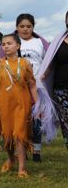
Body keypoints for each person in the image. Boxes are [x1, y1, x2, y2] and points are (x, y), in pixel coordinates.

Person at [0, 33, 37, 178]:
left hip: (22, 104)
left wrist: (37, 105)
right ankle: (11, 158)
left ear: (18, 46)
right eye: (3, 44)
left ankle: (22, 168)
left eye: (9, 43)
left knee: (19, 134)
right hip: (4, 104)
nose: (6, 46)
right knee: (7, 135)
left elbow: (32, 85)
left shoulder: (25, 63)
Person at [15, 13, 49, 162]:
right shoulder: (12, 42)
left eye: (29, 26)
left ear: (33, 27)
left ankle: (36, 151)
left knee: (36, 121)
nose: (25, 29)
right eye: (22, 26)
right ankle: (22, 150)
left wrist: (44, 74)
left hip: (37, 87)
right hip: (17, 88)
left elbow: (49, 61)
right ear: (17, 27)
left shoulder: (40, 42)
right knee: (21, 121)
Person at [35, 10, 68, 149]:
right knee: (66, 120)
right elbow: (51, 61)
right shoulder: (59, 40)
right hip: (61, 88)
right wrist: (42, 75)